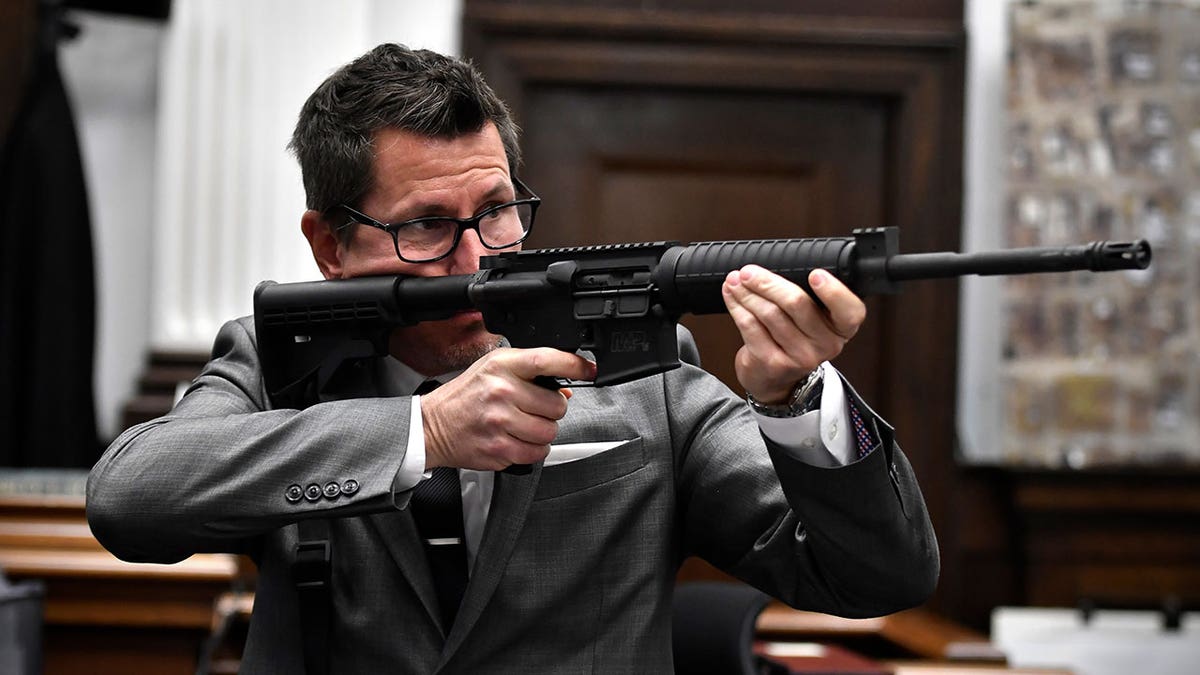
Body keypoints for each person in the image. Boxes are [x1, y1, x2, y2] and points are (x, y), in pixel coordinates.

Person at [87, 44, 938, 674]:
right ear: (329, 245)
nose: (476, 260)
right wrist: (421, 430)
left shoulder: (645, 379)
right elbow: (131, 498)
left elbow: (877, 574)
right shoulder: (278, 364)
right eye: (426, 226)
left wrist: (795, 400)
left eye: (497, 211)